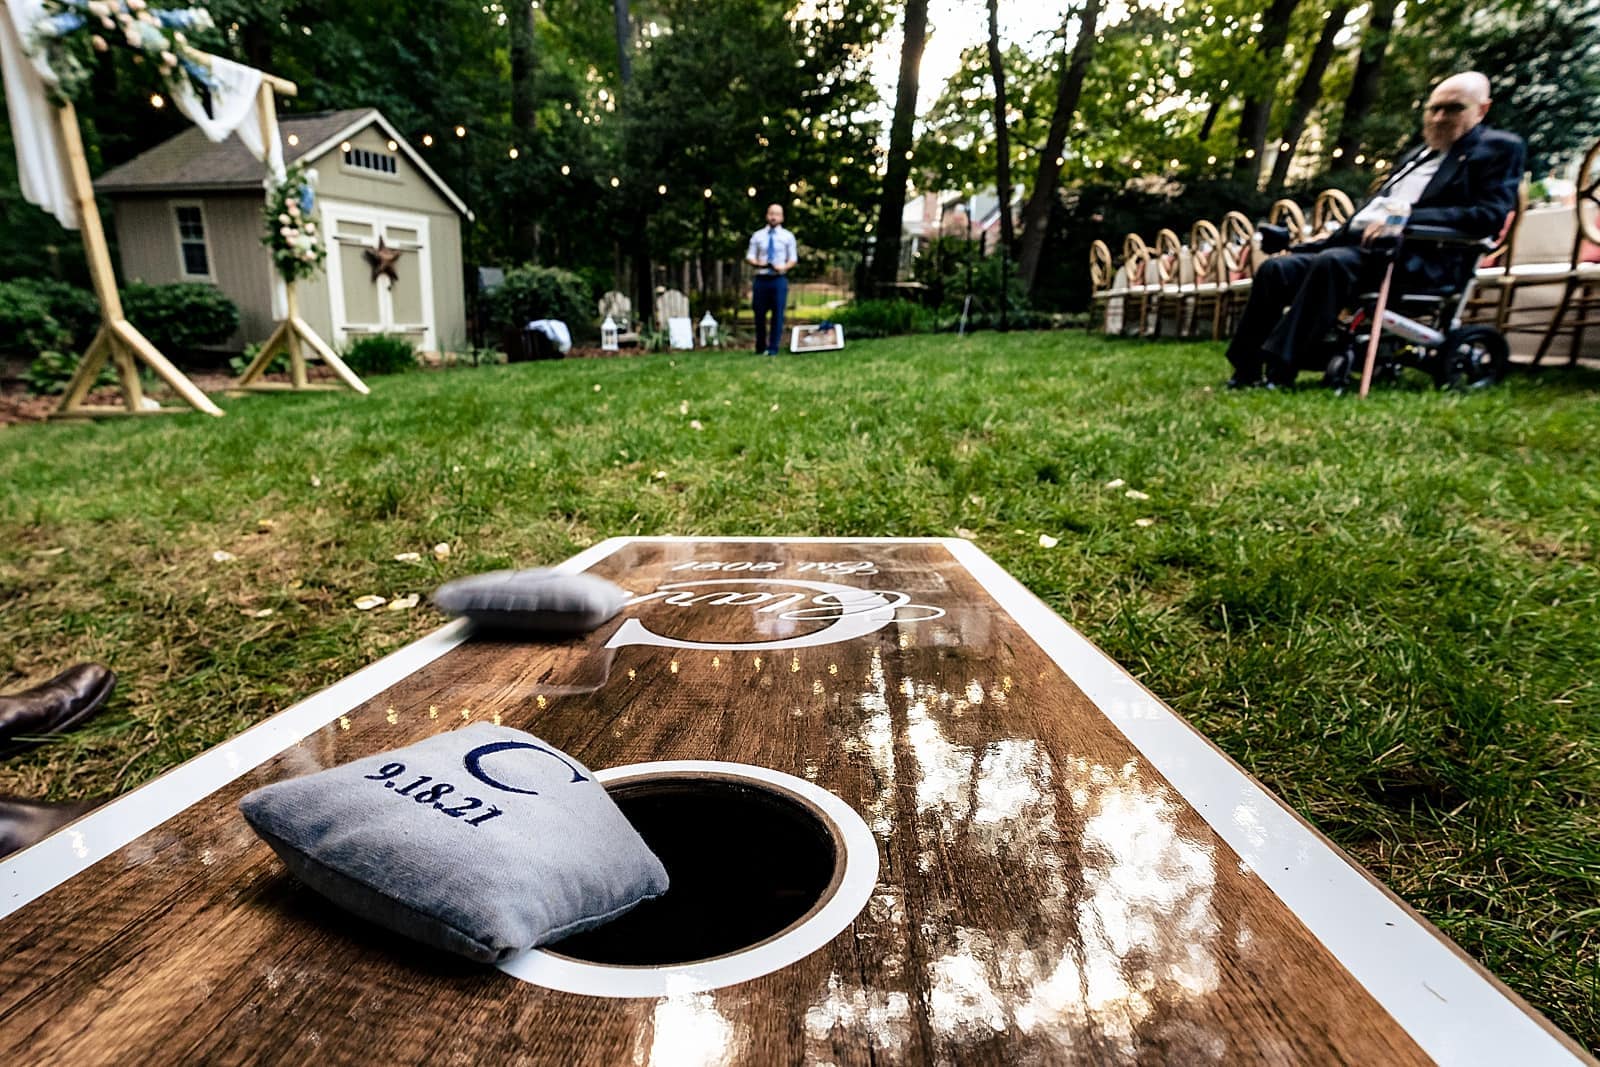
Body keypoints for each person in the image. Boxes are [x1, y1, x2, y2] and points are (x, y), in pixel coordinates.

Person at [1226, 71, 1525, 388]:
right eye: (1433, 108)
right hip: (1364, 253)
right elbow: (1373, 212)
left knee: (1333, 263)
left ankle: (1281, 369)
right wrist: (1316, 243)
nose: (1439, 118)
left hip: (1423, 258)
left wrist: (1407, 217)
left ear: (1482, 109)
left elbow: (1488, 215)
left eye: (1453, 108)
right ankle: (1245, 367)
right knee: (1277, 269)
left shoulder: (1499, 149)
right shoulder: (1417, 156)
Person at [746, 203, 798, 356]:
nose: (773, 217)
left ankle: (773, 348)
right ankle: (760, 346)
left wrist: (784, 267)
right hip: (761, 279)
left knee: (778, 314)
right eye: (771, 213)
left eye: (777, 214)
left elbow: (793, 258)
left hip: (778, 279)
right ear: (767, 215)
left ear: (781, 217)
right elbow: (750, 256)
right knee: (759, 313)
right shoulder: (757, 236)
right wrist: (757, 263)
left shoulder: (788, 237)